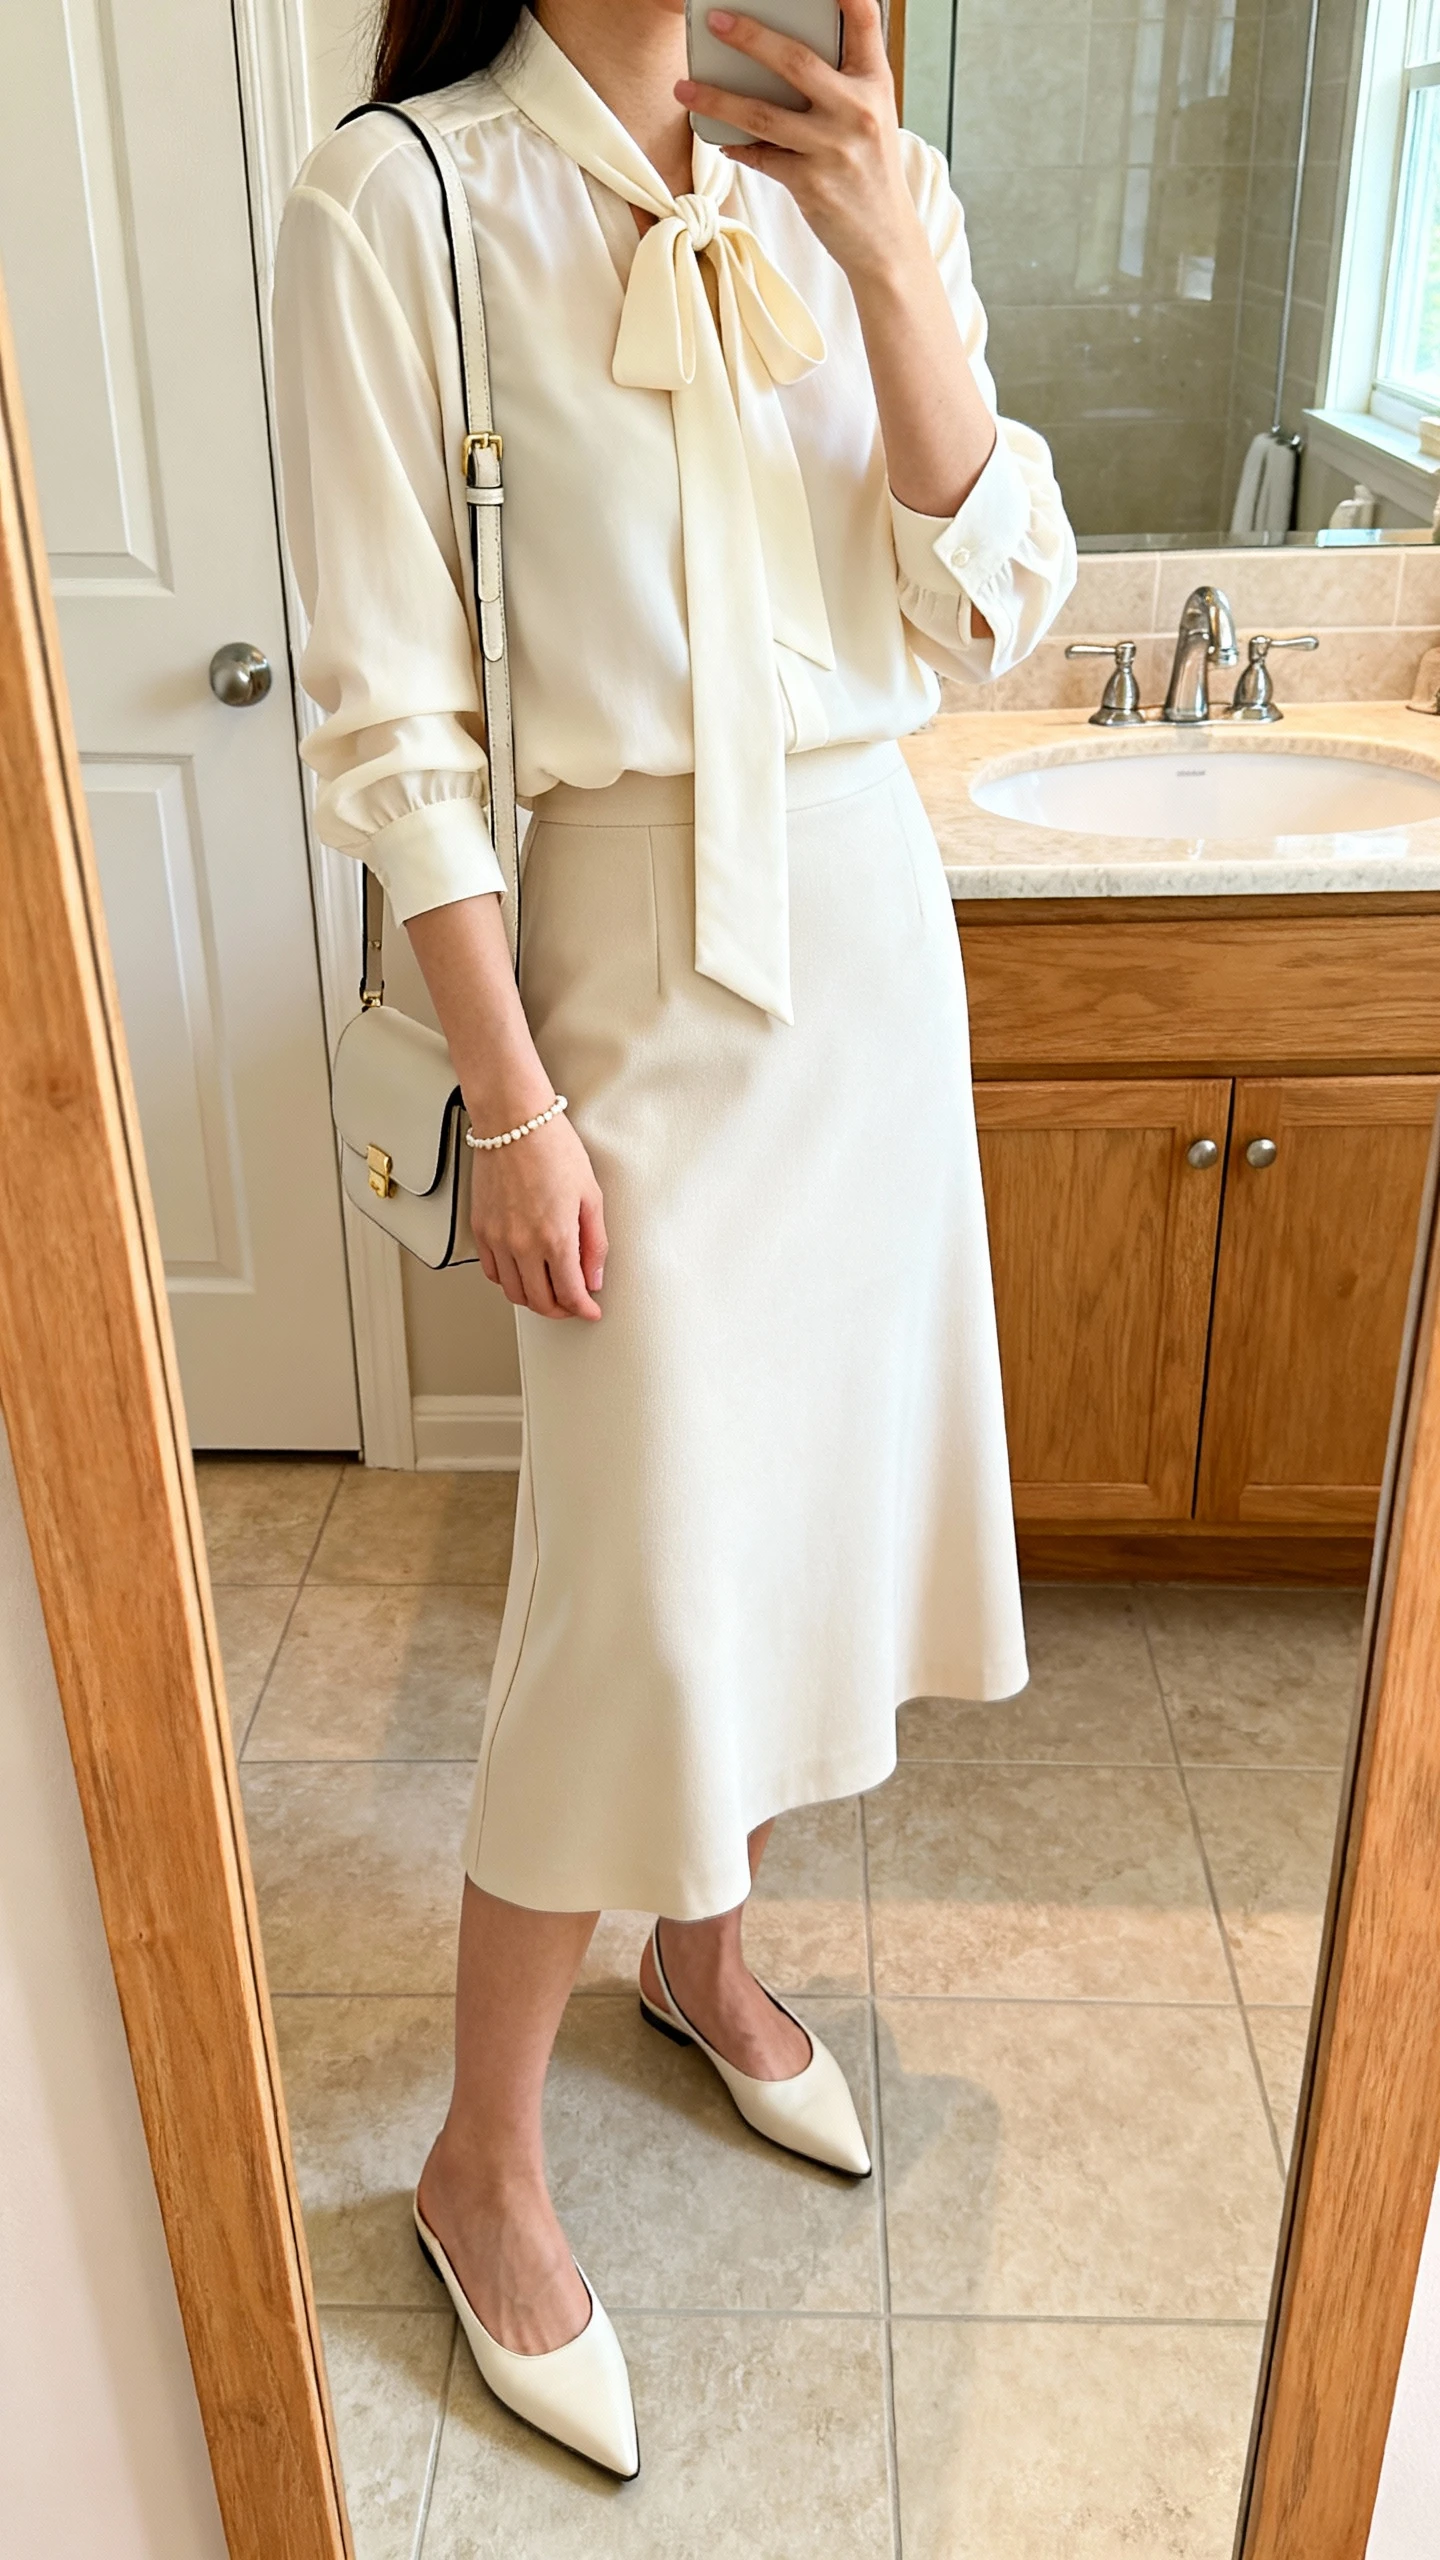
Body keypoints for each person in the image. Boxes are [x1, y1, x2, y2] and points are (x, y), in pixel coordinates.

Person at [274, 0, 1075, 2476]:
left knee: (816, 1524)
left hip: (866, 927)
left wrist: (886, 259)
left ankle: (704, 1957)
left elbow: (999, 608)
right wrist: (514, 1098)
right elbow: (391, 713)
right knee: (624, 1583)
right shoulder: (397, 202)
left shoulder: (875, 189)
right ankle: (476, 2154)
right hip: (616, 971)